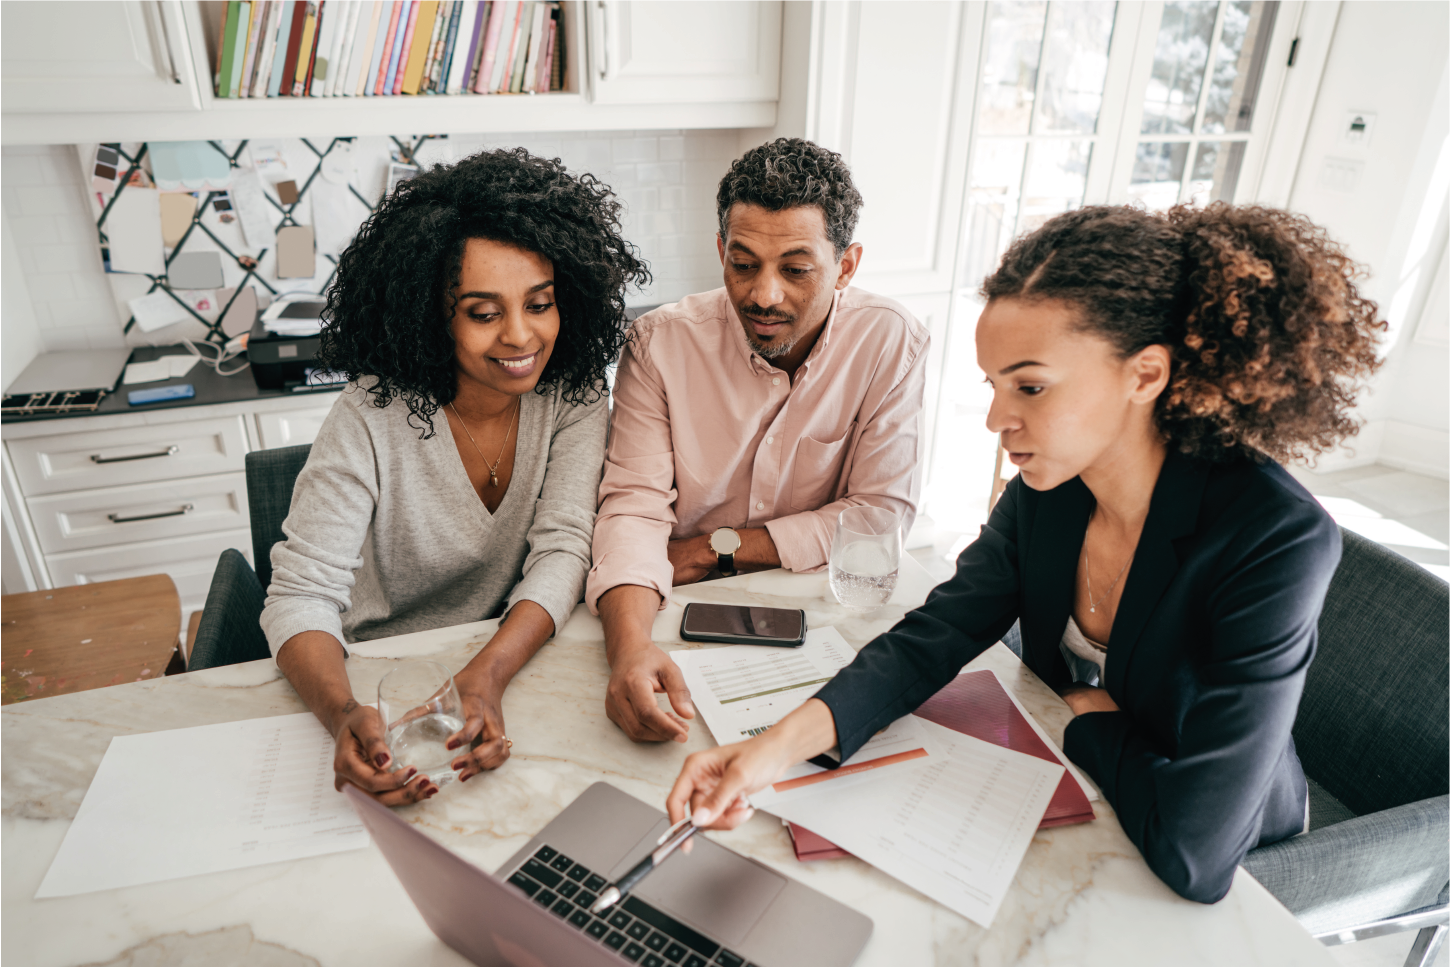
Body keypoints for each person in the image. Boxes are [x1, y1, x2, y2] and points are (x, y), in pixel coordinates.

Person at [664, 203, 1386, 904]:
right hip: (1081, 796)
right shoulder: (1053, 485)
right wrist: (769, 751)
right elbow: (933, 635)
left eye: (1030, 386)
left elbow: (1197, 853)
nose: (995, 419)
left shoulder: (1271, 536)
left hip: (1226, 854)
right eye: (995, 385)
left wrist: (1090, 725)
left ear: (1145, 374)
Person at [261, 148, 649, 806]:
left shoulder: (575, 392)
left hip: (510, 655)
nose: (521, 337)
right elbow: (298, 597)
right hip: (375, 671)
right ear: (433, 314)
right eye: (483, 312)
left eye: (540, 303)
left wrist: (487, 674)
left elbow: (564, 547)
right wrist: (341, 712)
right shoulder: (371, 413)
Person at [587, 138, 930, 744]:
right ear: (721, 251)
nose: (764, 295)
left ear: (845, 267)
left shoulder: (890, 342)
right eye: (743, 265)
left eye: (796, 270)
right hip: (670, 607)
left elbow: (881, 516)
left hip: (822, 618)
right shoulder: (658, 345)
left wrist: (714, 548)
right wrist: (630, 650)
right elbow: (632, 509)